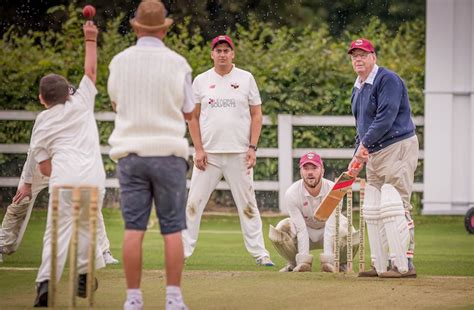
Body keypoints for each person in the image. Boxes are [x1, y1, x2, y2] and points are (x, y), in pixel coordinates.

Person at [107, 1, 194, 309]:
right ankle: (173, 299)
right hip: (169, 153)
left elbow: (116, 102)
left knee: (134, 228)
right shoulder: (178, 63)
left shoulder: (119, 61)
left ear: (136, 27)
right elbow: (189, 110)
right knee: (172, 229)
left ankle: (133, 300)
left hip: (131, 153)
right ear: (164, 29)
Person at [30, 20, 107, 307]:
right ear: (68, 94)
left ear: (42, 99)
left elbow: (45, 168)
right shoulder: (82, 102)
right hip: (91, 179)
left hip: (62, 180)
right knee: (87, 228)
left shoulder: (41, 122)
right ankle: (84, 278)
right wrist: (90, 38)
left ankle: (45, 284)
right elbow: (90, 71)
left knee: (56, 233)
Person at [181, 34, 274, 267]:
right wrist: (199, 149)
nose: (222, 54)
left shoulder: (246, 78)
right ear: (212, 54)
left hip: (240, 154)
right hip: (208, 156)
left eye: (226, 50)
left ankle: (260, 253)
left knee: (248, 205)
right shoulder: (202, 80)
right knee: (193, 204)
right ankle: (181, 252)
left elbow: (256, 114)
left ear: (233, 53)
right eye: (218, 50)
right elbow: (192, 117)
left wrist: (252, 148)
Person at [346, 38, 418, 278]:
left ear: (373, 57)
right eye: (354, 55)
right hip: (375, 151)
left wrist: (363, 146)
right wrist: (357, 154)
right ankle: (383, 264)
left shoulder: (388, 80)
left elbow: (385, 118)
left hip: (397, 146)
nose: (358, 59)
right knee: (375, 209)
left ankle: (405, 263)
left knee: (397, 205)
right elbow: (362, 126)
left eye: (363, 55)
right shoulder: (358, 87)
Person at [0, 153, 119, 265]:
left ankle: (103, 251)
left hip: (65, 167)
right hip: (38, 165)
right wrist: (27, 184)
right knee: (20, 202)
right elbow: (34, 150)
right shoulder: (42, 130)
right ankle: (1, 246)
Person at [269, 152, 359, 272]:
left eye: (314, 168)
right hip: (305, 228)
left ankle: (341, 263)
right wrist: (304, 261)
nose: (310, 172)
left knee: (350, 231)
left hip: (327, 229)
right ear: (301, 171)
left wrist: (328, 260)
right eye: (306, 168)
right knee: (280, 230)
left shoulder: (334, 189)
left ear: (322, 171)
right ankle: (294, 263)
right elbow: (300, 229)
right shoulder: (292, 193)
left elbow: (331, 226)